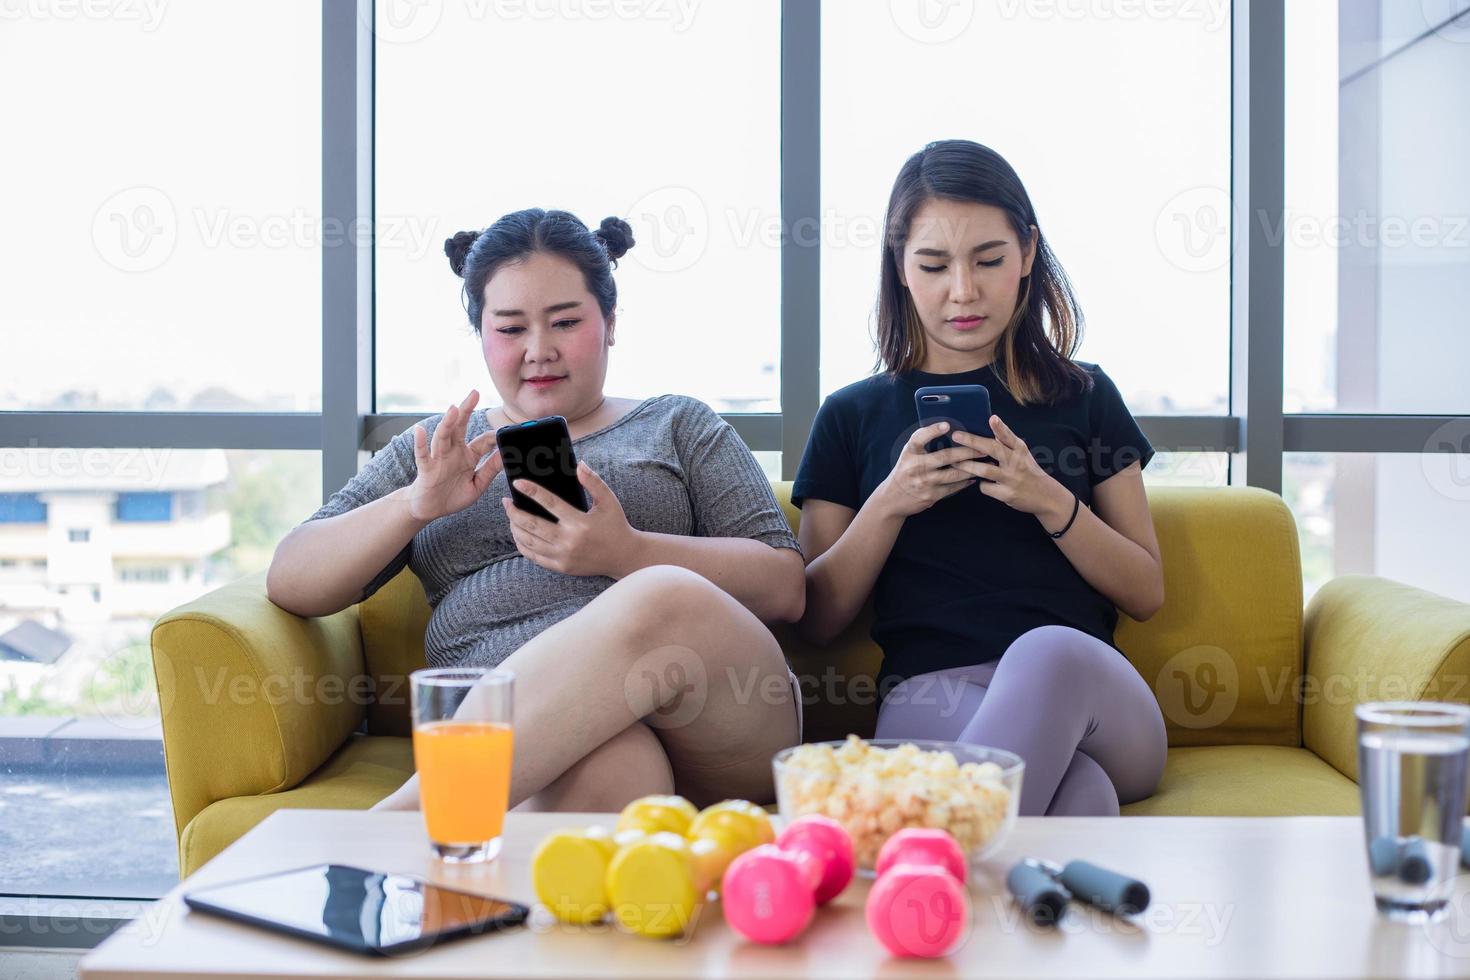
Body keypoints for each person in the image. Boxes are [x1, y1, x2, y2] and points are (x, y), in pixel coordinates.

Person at [266, 208, 804, 813]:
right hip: (525, 748)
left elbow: (786, 587)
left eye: (566, 322)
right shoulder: (440, 449)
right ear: (481, 335)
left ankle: (394, 830)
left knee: (663, 594)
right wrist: (415, 505)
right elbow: (291, 580)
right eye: (511, 328)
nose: (539, 351)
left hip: (717, 722)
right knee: (619, 765)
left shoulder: (679, 424)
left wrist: (627, 552)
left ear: (610, 323)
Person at [792, 139, 1168, 816]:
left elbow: (1146, 590)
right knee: (1083, 794)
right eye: (933, 264)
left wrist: (1048, 500)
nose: (962, 291)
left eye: (988, 259)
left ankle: (924, 864)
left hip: (1094, 698)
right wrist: (891, 502)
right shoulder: (851, 415)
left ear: (1026, 253)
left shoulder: (1085, 397)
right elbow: (818, 618)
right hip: (929, 698)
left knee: (1049, 654)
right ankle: (1003, 903)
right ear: (900, 269)